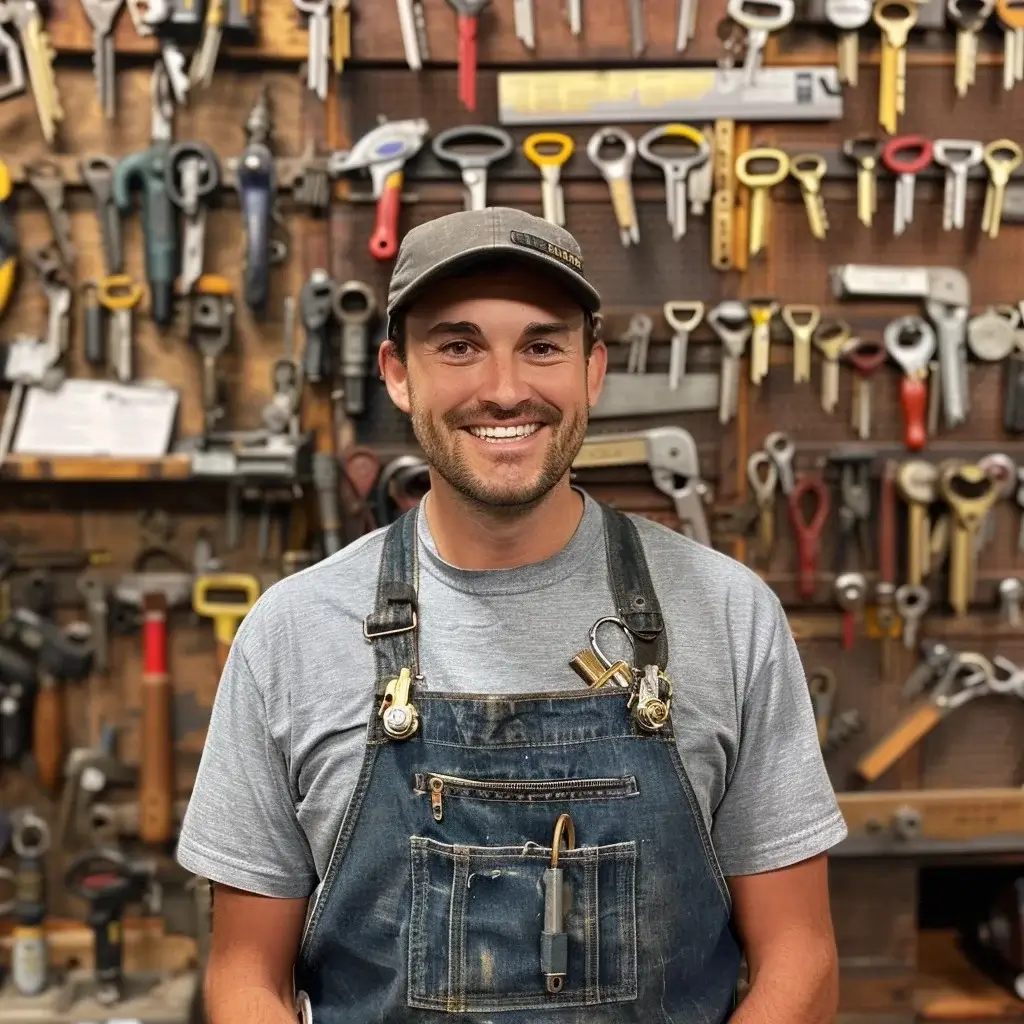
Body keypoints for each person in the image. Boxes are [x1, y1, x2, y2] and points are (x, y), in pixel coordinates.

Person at [177, 206, 848, 1024]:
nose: (504, 389)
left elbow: (801, 960)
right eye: (458, 347)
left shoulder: (730, 616)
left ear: (592, 370)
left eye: (542, 346)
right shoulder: (290, 634)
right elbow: (246, 979)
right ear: (397, 373)